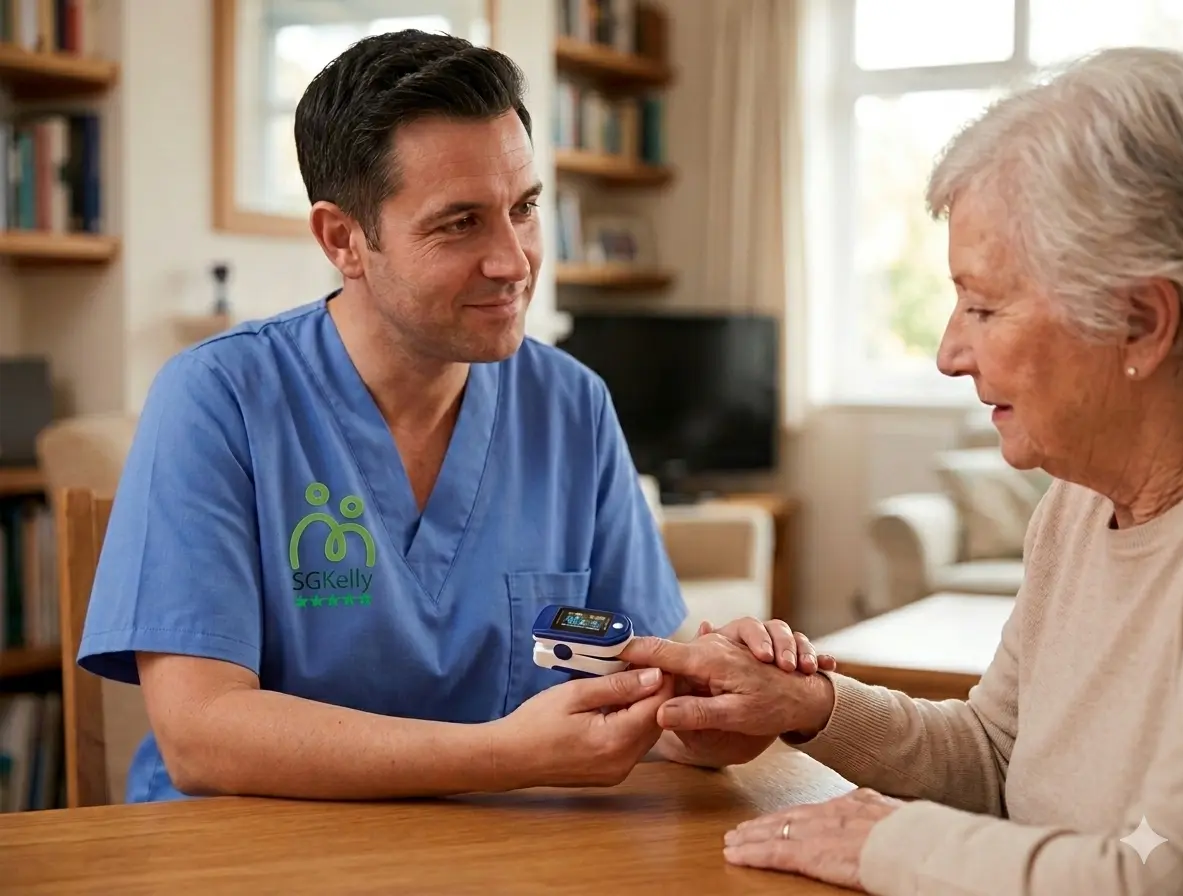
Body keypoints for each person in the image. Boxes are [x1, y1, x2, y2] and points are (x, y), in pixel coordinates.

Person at [75, 30, 818, 804]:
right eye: (459, 223)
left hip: (502, 853)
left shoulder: (572, 405)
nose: (515, 260)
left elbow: (644, 694)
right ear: (344, 239)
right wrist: (506, 755)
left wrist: (712, 717)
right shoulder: (216, 397)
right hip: (250, 859)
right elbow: (201, 736)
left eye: (524, 208)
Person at [620, 46, 1183, 896]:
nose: (948, 353)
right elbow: (998, 756)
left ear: (1142, 322)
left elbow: (1164, 873)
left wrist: (887, 845)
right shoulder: (1077, 508)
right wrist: (807, 706)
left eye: (985, 306)